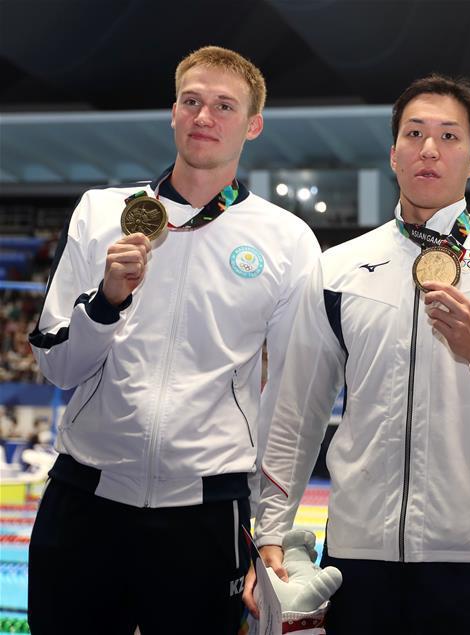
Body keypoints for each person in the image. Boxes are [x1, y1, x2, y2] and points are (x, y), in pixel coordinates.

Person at [245, 74, 470, 634]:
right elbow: (295, 412)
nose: (429, 148)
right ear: (393, 154)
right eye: (414, 133)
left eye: (449, 137)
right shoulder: (337, 269)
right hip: (357, 559)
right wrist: (271, 532)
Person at [28, 46, 320, 634]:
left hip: (207, 516)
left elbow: (293, 399)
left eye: (223, 105)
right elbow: (57, 367)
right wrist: (107, 301)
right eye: (192, 101)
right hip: (86, 500)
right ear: (173, 113)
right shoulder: (102, 212)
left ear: (253, 125)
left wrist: (270, 533)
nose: (204, 116)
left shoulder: (287, 241)